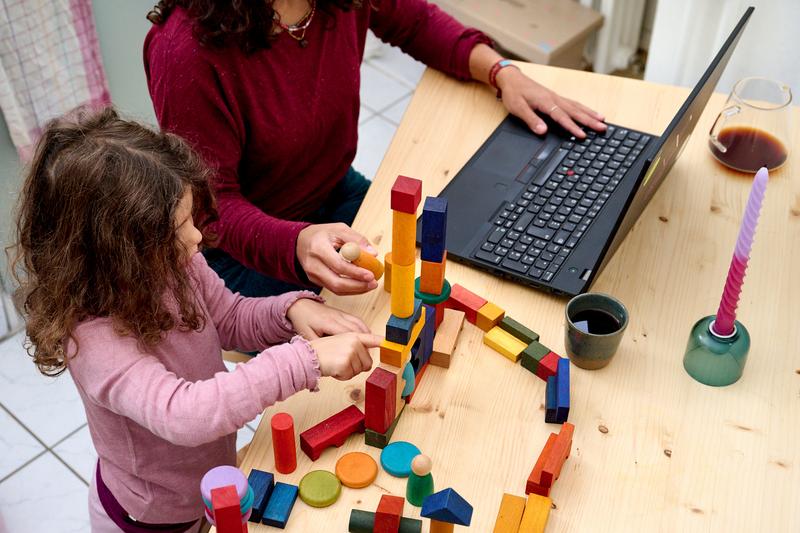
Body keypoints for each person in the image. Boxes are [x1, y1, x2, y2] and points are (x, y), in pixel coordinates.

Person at [10, 107, 380, 532]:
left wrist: (291, 310)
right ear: (120, 252)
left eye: (188, 220)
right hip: (151, 520)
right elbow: (186, 413)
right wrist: (305, 360)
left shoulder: (173, 264)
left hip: (210, 489)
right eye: (177, 229)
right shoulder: (94, 341)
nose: (196, 238)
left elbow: (231, 316)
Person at [144, 0, 606, 298]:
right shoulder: (185, 51)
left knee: (460, 275)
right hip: (244, 253)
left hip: (329, 194)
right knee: (392, 338)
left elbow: (417, 21)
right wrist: (298, 242)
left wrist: (504, 73)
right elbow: (212, 209)